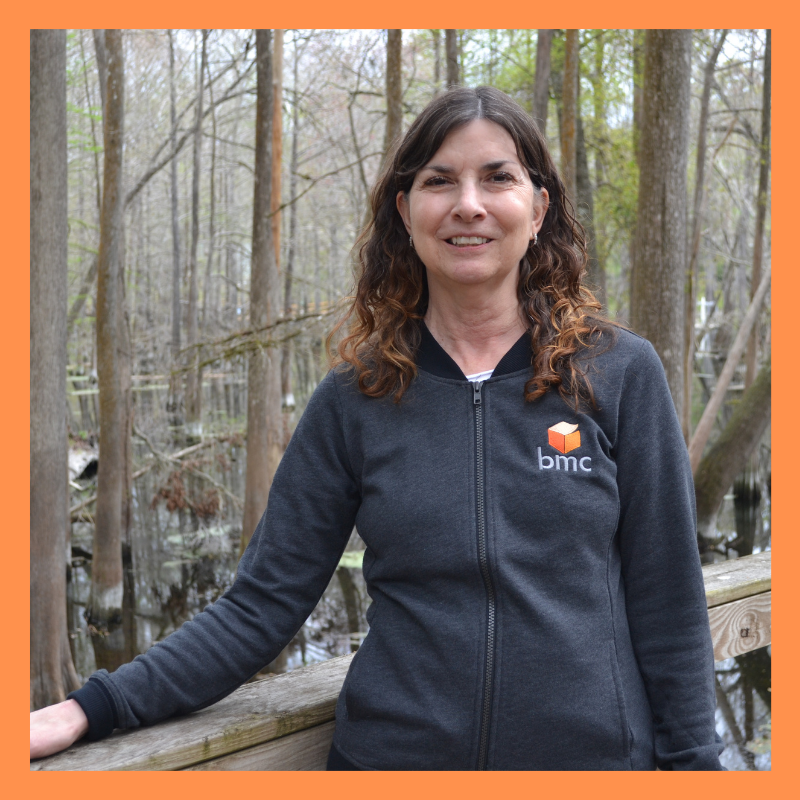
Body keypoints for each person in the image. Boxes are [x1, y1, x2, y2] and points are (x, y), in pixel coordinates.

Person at [30, 86, 724, 770]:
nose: (469, 204)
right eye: (439, 181)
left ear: (538, 208)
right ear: (405, 210)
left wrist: (695, 767)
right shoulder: (356, 397)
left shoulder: (617, 373)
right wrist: (90, 708)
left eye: (498, 178)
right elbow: (260, 607)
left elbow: (669, 600)